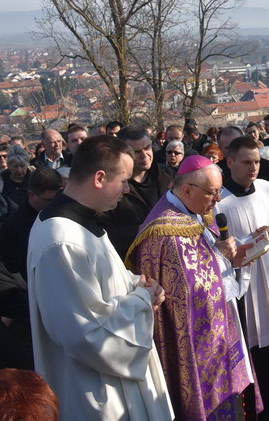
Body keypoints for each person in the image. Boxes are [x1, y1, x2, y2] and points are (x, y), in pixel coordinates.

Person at [26, 135, 172, 420]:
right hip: (98, 387)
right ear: (100, 178)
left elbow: (98, 285)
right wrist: (142, 300)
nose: (127, 189)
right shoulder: (61, 240)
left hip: (110, 378)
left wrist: (135, 283)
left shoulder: (81, 219)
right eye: (124, 180)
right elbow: (82, 333)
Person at [128, 156, 255, 420]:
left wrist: (231, 258)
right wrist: (219, 256)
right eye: (212, 192)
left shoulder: (197, 209)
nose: (218, 199)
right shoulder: (163, 232)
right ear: (187, 189)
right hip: (196, 337)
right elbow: (186, 292)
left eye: (219, 191)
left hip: (222, 319)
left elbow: (207, 255)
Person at [215, 136, 269, 419]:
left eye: (256, 162)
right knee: (254, 340)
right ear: (230, 162)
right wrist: (243, 244)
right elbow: (215, 244)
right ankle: (266, 403)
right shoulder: (218, 200)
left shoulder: (266, 188)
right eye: (246, 162)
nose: (253, 168)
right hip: (244, 281)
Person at [98, 125, 174, 259]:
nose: (144, 155)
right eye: (136, 152)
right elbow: (105, 233)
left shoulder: (167, 175)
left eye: (147, 148)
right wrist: (145, 230)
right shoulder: (110, 186)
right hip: (131, 261)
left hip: (170, 256)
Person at [0, 168, 62, 282]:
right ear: (31, 195)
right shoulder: (13, 227)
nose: (55, 204)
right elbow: (14, 270)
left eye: (58, 198)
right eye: (49, 200)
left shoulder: (63, 213)